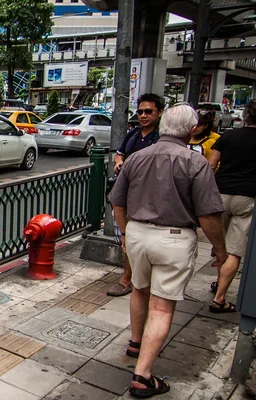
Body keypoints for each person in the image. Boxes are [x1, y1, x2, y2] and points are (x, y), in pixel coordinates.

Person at [109, 104, 227, 398]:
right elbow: (209, 216)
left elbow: (118, 202)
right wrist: (220, 249)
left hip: (137, 233)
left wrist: (125, 233)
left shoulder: (136, 158)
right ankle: (143, 376)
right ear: (191, 130)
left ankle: (136, 343)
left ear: (162, 126)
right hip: (174, 238)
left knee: (139, 288)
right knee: (161, 306)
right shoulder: (195, 162)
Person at [106, 93, 164, 303]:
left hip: (150, 197)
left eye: (148, 112)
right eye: (140, 112)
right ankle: (128, 277)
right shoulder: (134, 134)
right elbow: (119, 153)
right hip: (128, 192)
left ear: (160, 113)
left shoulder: (161, 137)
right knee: (128, 237)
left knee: (139, 239)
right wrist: (119, 162)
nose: (143, 116)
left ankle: (133, 278)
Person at [207, 100, 256, 313]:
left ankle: (220, 281)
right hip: (247, 197)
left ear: (245, 116)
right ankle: (219, 298)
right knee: (235, 251)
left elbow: (210, 164)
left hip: (220, 193)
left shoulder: (228, 136)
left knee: (221, 246)